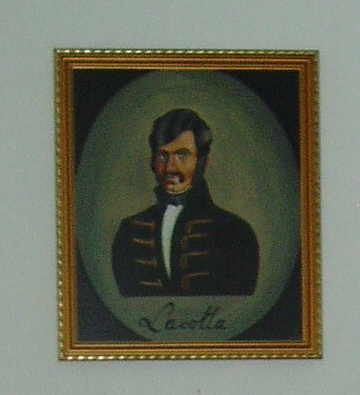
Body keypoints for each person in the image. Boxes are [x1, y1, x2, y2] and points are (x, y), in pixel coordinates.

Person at [111, 107, 259, 297]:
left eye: (182, 155)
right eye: (162, 156)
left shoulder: (236, 233)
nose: (170, 168)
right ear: (153, 161)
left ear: (203, 161)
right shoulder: (129, 231)